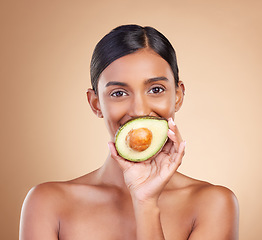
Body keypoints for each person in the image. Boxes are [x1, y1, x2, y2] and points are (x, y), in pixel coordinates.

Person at [19, 24, 239, 240]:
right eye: (118, 93)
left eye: (156, 89)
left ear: (178, 96)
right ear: (95, 104)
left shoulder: (214, 204)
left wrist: (146, 202)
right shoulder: (46, 203)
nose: (140, 110)